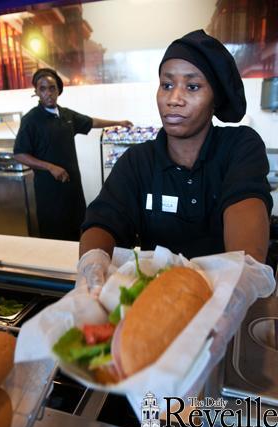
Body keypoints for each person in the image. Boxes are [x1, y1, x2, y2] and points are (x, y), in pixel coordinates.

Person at [77, 29, 272, 294]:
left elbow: (247, 253)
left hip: (226, 300)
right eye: (167, 85)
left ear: (215, 98)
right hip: (158, 300)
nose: (174, 99)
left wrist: (233, 288)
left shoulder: (239, 147)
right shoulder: (138, 161)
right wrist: (93, 261)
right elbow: (103, 220)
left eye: (192, 87)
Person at [14, 68, 133, 241]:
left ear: (58, 90)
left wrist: (118, 122)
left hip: (72, 188)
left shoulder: (66, 115)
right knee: (54, 234)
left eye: (52, 88)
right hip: (49, 191)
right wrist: (50, 167)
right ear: (36, 92)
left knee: (76, 227)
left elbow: (91, 122)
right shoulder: (31, 120)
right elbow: (19, 154)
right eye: (43, 88)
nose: (48, 93)